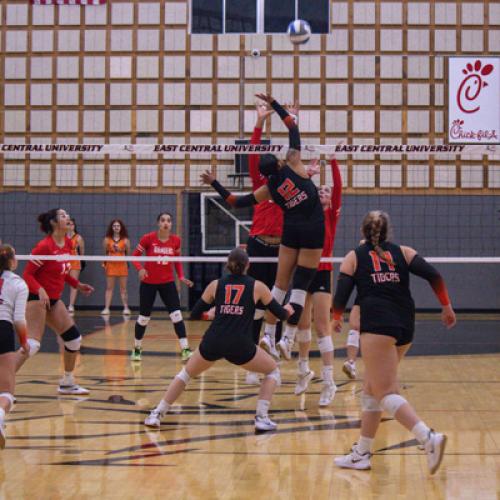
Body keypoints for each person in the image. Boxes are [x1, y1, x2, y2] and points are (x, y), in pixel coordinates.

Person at [332, 210, 456, 474]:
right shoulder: (405, 252)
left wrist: (335, 317)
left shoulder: (354, 256)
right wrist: (446, 306)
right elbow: (435, 276)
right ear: (388, 232)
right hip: (405, 324)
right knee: (371, 388)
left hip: (378, 323)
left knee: (385, 391)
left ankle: (427, 437)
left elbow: (342, 293)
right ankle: (362, 453)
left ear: (362, 232)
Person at [203, 93, 325, 362]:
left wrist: (215, 184)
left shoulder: (268, 189)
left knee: (278, 287)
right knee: (300, 287)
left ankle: (270, 335)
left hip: (290, 231)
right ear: (280, 162)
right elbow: (293, 129)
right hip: (312, 228)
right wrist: (277, 106)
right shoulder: (295, 163)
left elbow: (236, 201)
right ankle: (286, 339)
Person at [144, 247, 293, 432]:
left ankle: (157, 414)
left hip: (214, 340)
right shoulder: (258, 286)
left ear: (227, 265)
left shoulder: (215, 284)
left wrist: (211, 313)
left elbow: (195, 314)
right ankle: (261, 418)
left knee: (185, 374)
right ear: (248, 265)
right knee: (272, 371)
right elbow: (281, 314)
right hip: (240, 344)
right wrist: (290, 310)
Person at [17, 208, 94, 394]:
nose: (68, 218)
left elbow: (62, 271)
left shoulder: (68, 243)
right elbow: (27, 274)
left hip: (53, 299)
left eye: (68, 215)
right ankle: (4, 380)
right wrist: (40, 289)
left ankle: (67, 382)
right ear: (53, 223)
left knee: (74, 340)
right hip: (36, 298)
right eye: (63, 215)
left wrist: (77, 284)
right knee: (33, 345)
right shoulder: (44, 246)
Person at [291, 156, 342, 406]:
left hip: (322, 272)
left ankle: (329, 382)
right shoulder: (307, 212)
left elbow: (339, 188)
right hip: (303, 271)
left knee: (322, 327)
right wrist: (307, 174)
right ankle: (303, 371)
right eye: (319, 190)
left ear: (331, 199)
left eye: (326, 191)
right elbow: (302, 190)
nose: (322, 192)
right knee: (302, 326)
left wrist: (332, 161)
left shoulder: (331, 214)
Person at [131, 212, 194, 362]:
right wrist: (140, 268)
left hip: (167, 283)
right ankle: (137, 349)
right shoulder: (148, 238)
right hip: (148, 283)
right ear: (158, 223)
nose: (166, 223)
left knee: (177, 315)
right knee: (144, 318)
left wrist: (181, 277)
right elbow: (134, 256)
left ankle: (185, 348)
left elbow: (177, 261)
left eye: (169, 221)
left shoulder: (176, 241)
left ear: (171, 224)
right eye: (163, 220)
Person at [0, 244, 30, 449]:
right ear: (11, 261)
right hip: (3, 329)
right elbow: (19, 320)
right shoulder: (19, 284)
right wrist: (24, 342)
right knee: (6, 392)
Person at [102, 219, 131, 315]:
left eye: (118, 226)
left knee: (123, 288)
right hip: (111, 264)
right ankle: (106, 308)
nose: (116, 227)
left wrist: (120, 249)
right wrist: (104, 263)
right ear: (112, 227)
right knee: (109, 287)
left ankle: (126, 308)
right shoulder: (107, 239)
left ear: (121, 227)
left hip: (122, 264)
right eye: (114, 226)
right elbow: (105, 252)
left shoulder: (126, 240)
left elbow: (128, 252)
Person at [67, 218, 85, 314]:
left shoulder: (78, 238)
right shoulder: (62, 236)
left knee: (73, 284)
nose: (70, 226)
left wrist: (81, 261)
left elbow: (82, 251)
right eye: (68, 224)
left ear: (74, 226)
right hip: (64, 261)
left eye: (72, 224)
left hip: (74, 261)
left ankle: (71, 305)